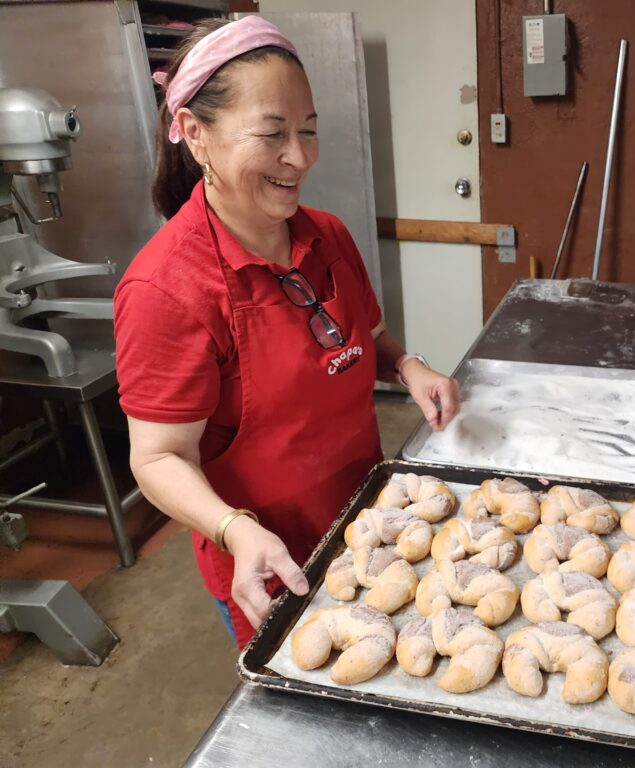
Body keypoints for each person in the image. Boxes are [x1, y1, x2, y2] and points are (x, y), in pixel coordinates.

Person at [114, 16, 459, 648]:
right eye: (272, 134)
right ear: (194, 133)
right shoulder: (167, 290)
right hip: (274, 564)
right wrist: (233, 529)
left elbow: (365, 338)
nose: (299, 157)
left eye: (308, 131)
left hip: (372, 528)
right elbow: (158, 457)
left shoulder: (327, 235)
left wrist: (409, 365)